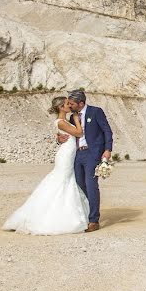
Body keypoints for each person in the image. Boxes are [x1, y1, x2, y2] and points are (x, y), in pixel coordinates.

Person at [2, 97, 90, 235]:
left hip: (70, 152)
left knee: (65, 181)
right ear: (61, 107)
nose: (70, 106)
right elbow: (79, 133)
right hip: (66, 154)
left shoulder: (64, 121)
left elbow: (66, 136)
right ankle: (53, 218)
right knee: (62, 181)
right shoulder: (61, 122)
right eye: (67, 104)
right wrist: (77, 121)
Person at [57, 89, 113, 232]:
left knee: (91, 184)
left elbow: (107, 130)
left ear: (81, 103)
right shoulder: (71, 118)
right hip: (76, 155)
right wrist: (58, 139)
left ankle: (94, 220)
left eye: (72, 103)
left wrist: (108, 150)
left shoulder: (96, 112)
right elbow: (68, 134)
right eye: (68, 103)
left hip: (92, 154)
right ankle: (87, 213)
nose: (69, 106)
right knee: (80, 185)